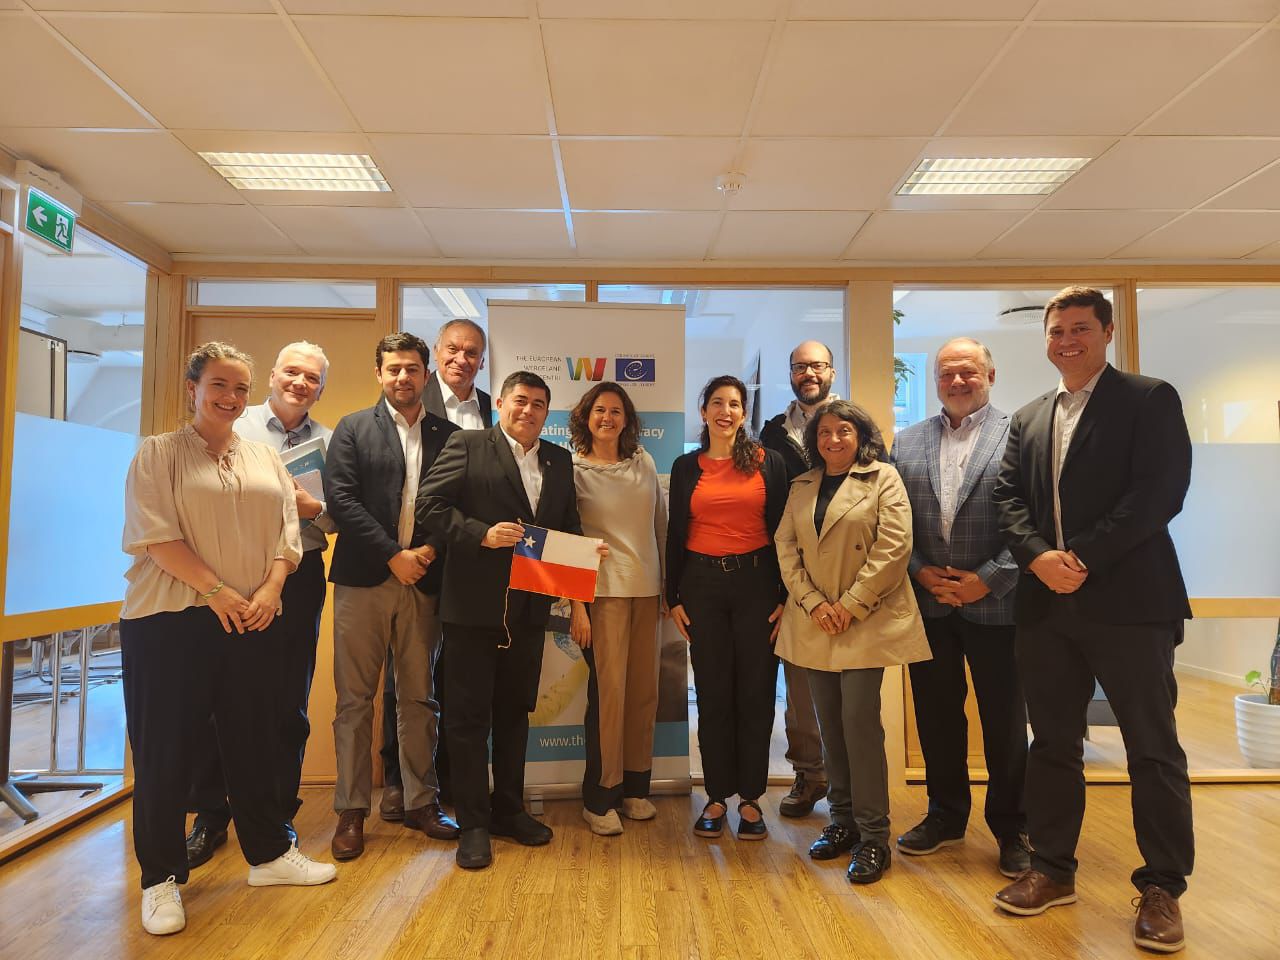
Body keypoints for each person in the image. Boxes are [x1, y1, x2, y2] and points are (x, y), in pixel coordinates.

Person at [992, 286, 1194, 954]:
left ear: (1107, 332)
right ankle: (1052, 869)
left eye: (1080, 328)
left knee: (1152, 747)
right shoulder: (1029, 417)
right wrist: (1038, 558)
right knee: (1052, 745)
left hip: (1131, 604)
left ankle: (1162, 887)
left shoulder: (1148, 399)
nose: (1067, 341)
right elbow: (1007, 499)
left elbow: (1159, 494)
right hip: (1046, 607)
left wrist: (1081, 556)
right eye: (1057, 331)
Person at [120, 342, 335, 937]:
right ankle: (160, 878)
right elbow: (156, 538)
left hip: (254, 617)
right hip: (171, 621)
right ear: (193, 388)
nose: (231, 397)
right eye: (219, 385)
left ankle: (269, 854)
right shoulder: (158, 454)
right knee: (167, 751)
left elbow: (288, 533)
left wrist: (270, 589)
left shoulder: (264, 456)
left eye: (239, 388)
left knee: (256, 740)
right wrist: (217, 592)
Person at [417, 371, 599, 870]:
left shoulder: (559, 460)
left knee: (516, 713)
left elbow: (567, 528)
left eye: (539, 404)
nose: (528, 410)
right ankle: (474, 824)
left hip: (529, 609)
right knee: (468, 719)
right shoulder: (468, 445)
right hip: (474, 609)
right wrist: (481, 533)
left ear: (546, 413)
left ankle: (509, 810)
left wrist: (582, 562)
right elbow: (428, 506)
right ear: (500, 403)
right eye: (520, 400)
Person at [185, 341, 336, 867]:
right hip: (232, 573)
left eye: (312, 378)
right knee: (216, 696)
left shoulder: (330, 441)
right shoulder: (234, 423)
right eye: (292, 372)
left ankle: (276, 816)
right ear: (272, 376)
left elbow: (339, 516)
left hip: (299, 575)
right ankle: (210, 816)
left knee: (287, 700)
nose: (300, 383)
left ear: (321, 389)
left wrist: (315, 508)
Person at [889, 337, 1030, 877]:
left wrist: (988, 580)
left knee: (1004, 721)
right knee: (936, 716)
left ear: (990, 375)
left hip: (998, 606)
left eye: (968, 371)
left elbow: (1036, 520)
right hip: (930, 606)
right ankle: (945, 815)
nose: (956, 381)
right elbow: (893, 522)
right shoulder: (907, 442)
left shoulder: (1021, 435)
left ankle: (1013, 828)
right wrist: (919, 570)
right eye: (946, 373)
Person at [775, 399, 929, 885]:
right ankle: (841, 821)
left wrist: (850, 604)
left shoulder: (884, 479)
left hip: (865, 619)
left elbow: (895, 547)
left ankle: (874, 835)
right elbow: (785, 547)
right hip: (816, 621)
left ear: (860, 435)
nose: (833, 439)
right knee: (829, 726)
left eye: (843, 430)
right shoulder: (802, 486)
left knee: (859, 723)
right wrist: (814, 603)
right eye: (824, 433)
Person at [324, 332, 460, 862]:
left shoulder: (449, 435)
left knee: (419, 698)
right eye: (393, 368)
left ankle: (423, 802)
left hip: (424, 580)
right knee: (354, 701)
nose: (403, 377)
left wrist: (427, 550)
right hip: (364, 581)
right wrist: (392, 555)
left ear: (426, 374)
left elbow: (457, 501)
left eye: (412, 368)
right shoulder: (354, 428)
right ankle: (351, 810)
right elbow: (341, 499)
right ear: (379, 374)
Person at [666, 375, 789, 842]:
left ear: (744, 413)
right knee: (713, 693)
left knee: (756, 692)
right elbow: (675, 533)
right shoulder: (686, 466)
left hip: (758, 585)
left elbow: (785, 533)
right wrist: (673, 597)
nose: (725, 411)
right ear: (703, 412)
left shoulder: (769, 462)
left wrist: (786, 597)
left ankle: (751, 798)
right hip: (702, 586)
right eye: (716, 403)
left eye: (734, 404)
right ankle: (717, 795)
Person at [379, 318, 492, 821]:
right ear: (436, 356)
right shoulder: (413, 402)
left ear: (482, 361)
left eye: (471, 352)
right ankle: (397, 780)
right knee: (404, 676)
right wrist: (419, 549)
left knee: (456, 674)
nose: (461, 359)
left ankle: (445, 778)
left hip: (473, 560)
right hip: (419, 559)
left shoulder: (493, 407)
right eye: (452, 349)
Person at [566, 382, 668, 836]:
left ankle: (635, 789)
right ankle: (600, 797)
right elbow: (566, 540)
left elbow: (660, 526)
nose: (607, 418)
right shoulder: (571, 469)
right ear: (586, 417)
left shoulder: (643, 461)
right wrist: (576, 606)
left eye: (616, 411)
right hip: (601, 593)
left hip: (647, 591)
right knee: (609, 696)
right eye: (599, 410)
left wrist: (667, 588)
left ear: (627, 419)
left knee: (643, 693)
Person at [760, 341, 836, 817]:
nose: (809, 373)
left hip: (846, 576)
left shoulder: (854, 424)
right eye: (800, 366)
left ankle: (852, 788)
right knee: (800, 692)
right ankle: (810, 775)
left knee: (851, 694)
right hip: (791, 576)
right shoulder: (770, 434)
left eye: (817, 365)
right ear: (790, 373)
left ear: (832, 371)